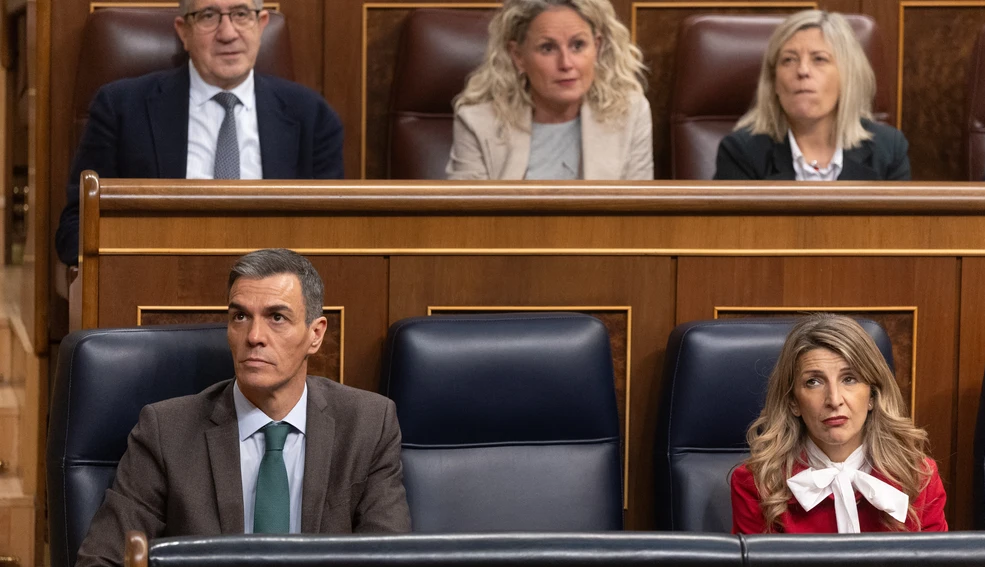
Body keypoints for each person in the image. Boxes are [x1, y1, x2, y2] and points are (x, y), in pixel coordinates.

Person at [75, 249, 410, 567]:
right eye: (240, 317)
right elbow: (103, 558)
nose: (254, 336)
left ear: (315, 334)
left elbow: (390, 557)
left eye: (276, 317)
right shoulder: (166, 431)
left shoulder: (368, 425)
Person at [55, 0, 345, 266]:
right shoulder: (122, 109)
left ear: (261, 24)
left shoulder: (313, 118)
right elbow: (76, 228)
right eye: (209, 16)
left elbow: (334, 234)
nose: (228, 33)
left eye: (241, 14)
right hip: (160, 287)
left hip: (274, 302)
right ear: (184, 31)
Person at [730, 314, 946, 534]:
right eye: (813, 382)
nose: (834, 400)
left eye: (849, 379)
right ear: (793, 402)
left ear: (872, 395)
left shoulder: (918, 477)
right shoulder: (756, 484)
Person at [446, 0, 652, 180]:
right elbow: (467, 220)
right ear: (518, 56)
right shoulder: (478, 122)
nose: (566, 63)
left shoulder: (629, 113)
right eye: (547, 48)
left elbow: (638, 216)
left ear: (596, 47)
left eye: (578, 45)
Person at [714, 10, 910, 181]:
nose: (802, 70)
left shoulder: (888, 150)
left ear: (847, 76)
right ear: (773, 82)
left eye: (819, 59)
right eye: (789, 60)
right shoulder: (741, 152)